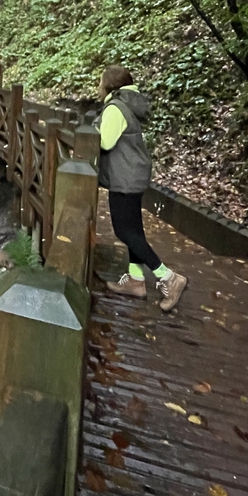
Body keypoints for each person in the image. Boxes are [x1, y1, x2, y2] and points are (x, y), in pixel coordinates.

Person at [95, 65, 187, 312]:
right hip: (132, 175)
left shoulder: (115, 107)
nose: (97, 87)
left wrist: (90, 131)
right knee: (133, 230)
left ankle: (168, 277)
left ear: (109, 85)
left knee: (125, 231)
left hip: (124, 178)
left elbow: (104, 141)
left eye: (100, 82)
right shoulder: (128, 105)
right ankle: (136, 281)